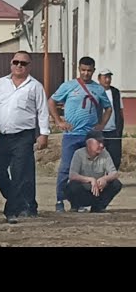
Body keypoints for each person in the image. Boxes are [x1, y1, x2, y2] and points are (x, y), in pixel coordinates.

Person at [0, 51, 50, 224]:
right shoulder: (0, 84)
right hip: (3, 136)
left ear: (29, 66)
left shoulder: (35, 86)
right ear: (11, 63)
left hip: (24, 136)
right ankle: (20, 201)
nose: (19, 66)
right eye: (16, 62)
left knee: (19, 173)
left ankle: (11, 210)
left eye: (24, 63)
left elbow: (42, 111)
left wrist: (43, 134)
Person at [48, 56, 113, 213]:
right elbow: (51, 101)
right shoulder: (69, 86)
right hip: (72, 134)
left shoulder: (98, 89)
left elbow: (108, 108)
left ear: (93, 71)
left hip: (90, 135)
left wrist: (102, 125)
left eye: (89, 71)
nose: (86, 73)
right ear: (79, 69)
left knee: (86, 170)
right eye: (83, 70)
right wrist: (58, 121)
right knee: (66, 168)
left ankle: (78, 202)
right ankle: (59, 200)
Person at [64, 130, 122, 212]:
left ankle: (98, 207)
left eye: (102, 142)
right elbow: (72, 175)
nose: (102, 145)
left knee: (116, 183)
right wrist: (90, 179)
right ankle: (75, 206)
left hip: (98, 190)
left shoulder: (105, 153)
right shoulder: (78, 154)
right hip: (83, 190)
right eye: (98, 142)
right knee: (72, 185)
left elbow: (114, 173)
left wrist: (105, 179)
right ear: (89, 143)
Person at [98, 68, 124, 170]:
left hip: (114, 130)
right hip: (99, 131)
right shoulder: (95, 91)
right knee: (98, 156)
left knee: (115, 157)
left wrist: (120, 126)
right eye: (105, 77)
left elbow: (120, 110)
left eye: (109, 77)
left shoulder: (115, 92)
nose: (107, 80)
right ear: (99, 79)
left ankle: (111, 178)